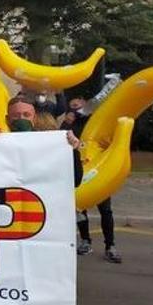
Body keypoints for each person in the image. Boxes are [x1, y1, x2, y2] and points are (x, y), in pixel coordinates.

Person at [61, 98, 120, 263]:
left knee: (105, 210)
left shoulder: (97, 123)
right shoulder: (69, 124)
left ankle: (110, 246)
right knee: (81, 209)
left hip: (98, 171)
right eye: (72, 106)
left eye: (78, 106)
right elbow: (60, 140)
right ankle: (85, 241)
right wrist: (66, 123)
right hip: (80, 171)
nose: (76, 109)